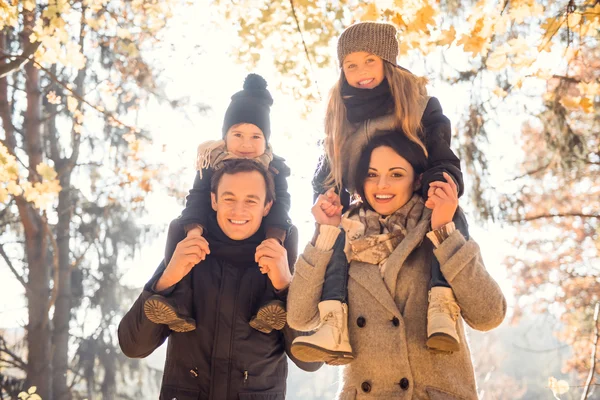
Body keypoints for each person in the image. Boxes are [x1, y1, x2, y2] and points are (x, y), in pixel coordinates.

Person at [287, 132, 506, 399]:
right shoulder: (343, 234)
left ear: (417, 179)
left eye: (396, 174)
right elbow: (299, 316)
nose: (382, 185)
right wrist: (324, 232)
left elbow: (489, 314)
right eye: (371, 174)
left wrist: (444, 232)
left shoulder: (438, 226)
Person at [300, 21, 469, 358]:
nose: (360, 71)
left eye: (369, 60)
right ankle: (333, 317)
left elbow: (441, 155)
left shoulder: (418, 104)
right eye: (351, 65)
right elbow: (329, 169)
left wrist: (439, 186)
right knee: (334, 231)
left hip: (415, 197)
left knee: (451, 214)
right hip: (366, 204)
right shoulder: (340, 113)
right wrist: (329, 197)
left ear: (387, 61)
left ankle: (442, 302)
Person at [118, 159, 320, 399]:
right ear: (214, 200)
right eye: (229, 198)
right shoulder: (187, 251)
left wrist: (285, 288)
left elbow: (312, 360)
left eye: (251, 200)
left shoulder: (284, 260)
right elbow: (133, 346)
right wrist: (167, 279)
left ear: (267, 206)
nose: (238, 210)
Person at [143, 73, 293, 334]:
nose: (246, 144)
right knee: (188, 250)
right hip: (210, 232)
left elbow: (282, 205)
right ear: (225, 136)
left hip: (262, 235)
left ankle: (271, 307)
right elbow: (198, 198)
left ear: (266, 140)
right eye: (238, 134)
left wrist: (276, 237)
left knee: (270, 260)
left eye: (256, 137)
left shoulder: (275, 168)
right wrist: (193, 232)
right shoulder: (210, 161)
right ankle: (178, 305)